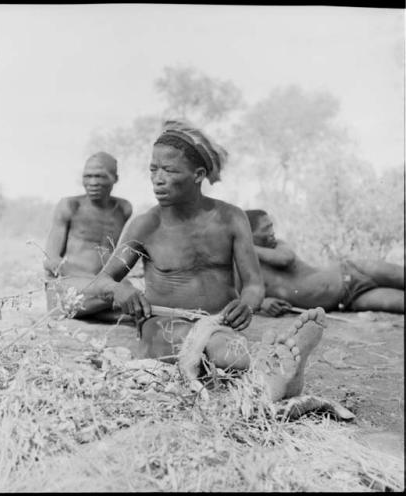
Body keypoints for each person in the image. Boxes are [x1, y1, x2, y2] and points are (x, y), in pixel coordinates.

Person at [76, 120, 328, 403]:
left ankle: (275, 372)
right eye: (153, 169)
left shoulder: (231, 218)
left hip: (220, 322)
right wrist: (119, 290)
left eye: (169, 170)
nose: (157, 178)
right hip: (163, 326)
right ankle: (275, 368)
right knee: (218, 347)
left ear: (198, 175)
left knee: (221, 343)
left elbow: (254, 284)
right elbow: (101, 282)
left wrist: (247, 304)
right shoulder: (145, 226)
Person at [245, 209, 404, 316]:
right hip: (349, 299)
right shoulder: (246, 270)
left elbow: (284, 259)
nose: (272, 232)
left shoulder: (279, 245)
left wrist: (246, 246)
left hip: (352, 271)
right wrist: (263, 303)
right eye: (266, 228)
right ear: (249, 233)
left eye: (272, 226)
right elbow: (239, 298)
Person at [43, 151, 132, 317]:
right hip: (69, 285)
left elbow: (119, 256)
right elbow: (50, 261)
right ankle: (95, 306)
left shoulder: (123, 209)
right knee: (119, 293)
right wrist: (99, 284)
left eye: (100, 176)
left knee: (133, 293)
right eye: (88, 176)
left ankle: (99, 307)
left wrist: (107, 283)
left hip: (101, 286)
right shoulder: (70, 206)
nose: (93, 182)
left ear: (115, 178)